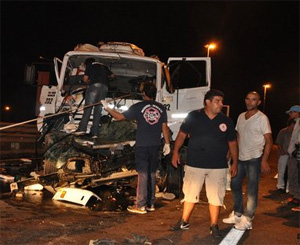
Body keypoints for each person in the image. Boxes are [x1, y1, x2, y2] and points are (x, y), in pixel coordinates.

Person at [170, 89, 238, 237]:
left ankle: (214, 225)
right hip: (195, 163)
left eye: (221, 101)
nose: (220, 104)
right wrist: (175, 152)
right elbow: (181, 135)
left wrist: (235, 163)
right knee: (190, 194)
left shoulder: (226, 120)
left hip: (218, 165)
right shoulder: (194, 116)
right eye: (217, 101)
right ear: (208, 102)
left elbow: (232, 143)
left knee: (216, 197)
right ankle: (184, 221)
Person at [101, 82, 171, 214]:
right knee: (151, 174)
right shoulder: (161, 108)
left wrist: (107, 108)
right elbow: (164, 128)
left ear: (144, 93)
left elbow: (120, 117)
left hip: (142, 146)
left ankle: (140, 205)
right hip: (155, 145)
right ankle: (150, 204)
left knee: (143, 175)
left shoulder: (138, 107)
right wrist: (167, 143)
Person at [223, 91, 273, 230]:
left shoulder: (262, 118)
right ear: (245, 100)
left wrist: (264, 160)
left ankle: (248, 217)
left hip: (254, 158)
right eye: (248, 99)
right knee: (235, 184)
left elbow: (269, 140)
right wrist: (231, 155)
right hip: (240, 158)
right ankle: (238, 213)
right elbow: (237, 137)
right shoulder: (240, 117)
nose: (250, 102)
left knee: (251, 189)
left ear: (258, 102)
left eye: (254, 100)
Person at [75, 58, 115, 138]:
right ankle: (95, 132)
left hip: (94, 86)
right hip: (104, 87)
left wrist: (89, 82)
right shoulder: (103, 66)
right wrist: (106, 78)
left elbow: (85, 79)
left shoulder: (89, 65)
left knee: (88, 107)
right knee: (98, 109)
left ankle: (82, 129)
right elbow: (113, 75)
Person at [275, 118, 296, 193]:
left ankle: (288, 188)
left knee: (290, 172)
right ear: (292, 124)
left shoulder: (295, 133)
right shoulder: (283, 131)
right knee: (281, 171)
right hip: (283, 154)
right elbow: (278, 143)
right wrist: (282, 152)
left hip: (291, 155)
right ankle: (280, 186)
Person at [286, 105, 300, 206]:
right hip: (292, 153)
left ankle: (297, 196)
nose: (290, 114)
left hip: (296, 153)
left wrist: (296, 149)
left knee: (295, 175)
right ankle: (294, 194)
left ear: (296, 112)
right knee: (292, 174)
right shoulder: (296, 123)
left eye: (292, 112)